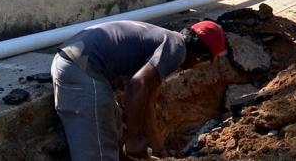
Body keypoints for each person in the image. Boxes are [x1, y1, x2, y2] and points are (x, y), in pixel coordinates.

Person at [50, 20, 226, 161]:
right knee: (99, 152)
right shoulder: (177, 49)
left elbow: (147, 101)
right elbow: (138, 84)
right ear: (201, 57)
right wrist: (134, 139)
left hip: (76, 61)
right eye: (204, 63)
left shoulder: (166, 40)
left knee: (114, 126)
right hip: (81, 68)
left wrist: (158, 148)